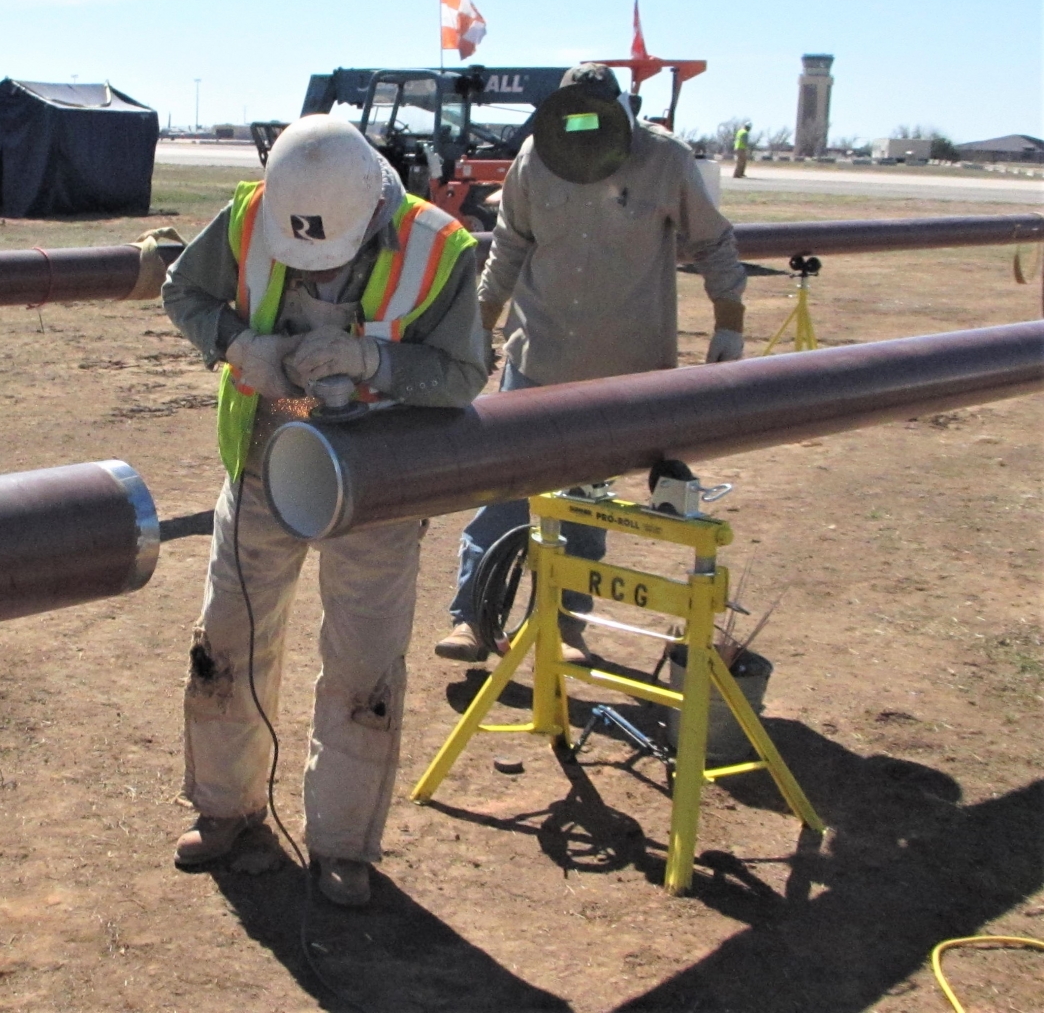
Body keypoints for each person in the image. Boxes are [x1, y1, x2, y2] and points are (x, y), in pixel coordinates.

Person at [162, 115, 487, 906]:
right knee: (228, 637)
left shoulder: (439, 249)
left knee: (363, 662)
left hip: (379, 474)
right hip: (266, 452)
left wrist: (375, 361)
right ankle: (225, 808)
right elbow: (184, 289)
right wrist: (240, 344)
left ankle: (343, 843)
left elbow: (464, 375)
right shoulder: (251, 214)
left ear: (373, 205)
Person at [436, 63, 747, 665]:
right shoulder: (535, 156)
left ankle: (564, 627)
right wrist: (480, 327)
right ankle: (473, 620)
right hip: (538, 354)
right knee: (502, 488)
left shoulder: (665, 160)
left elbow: (714, 241)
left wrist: (728, 323)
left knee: (585, 503)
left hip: (620, 369)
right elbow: (508, 246)